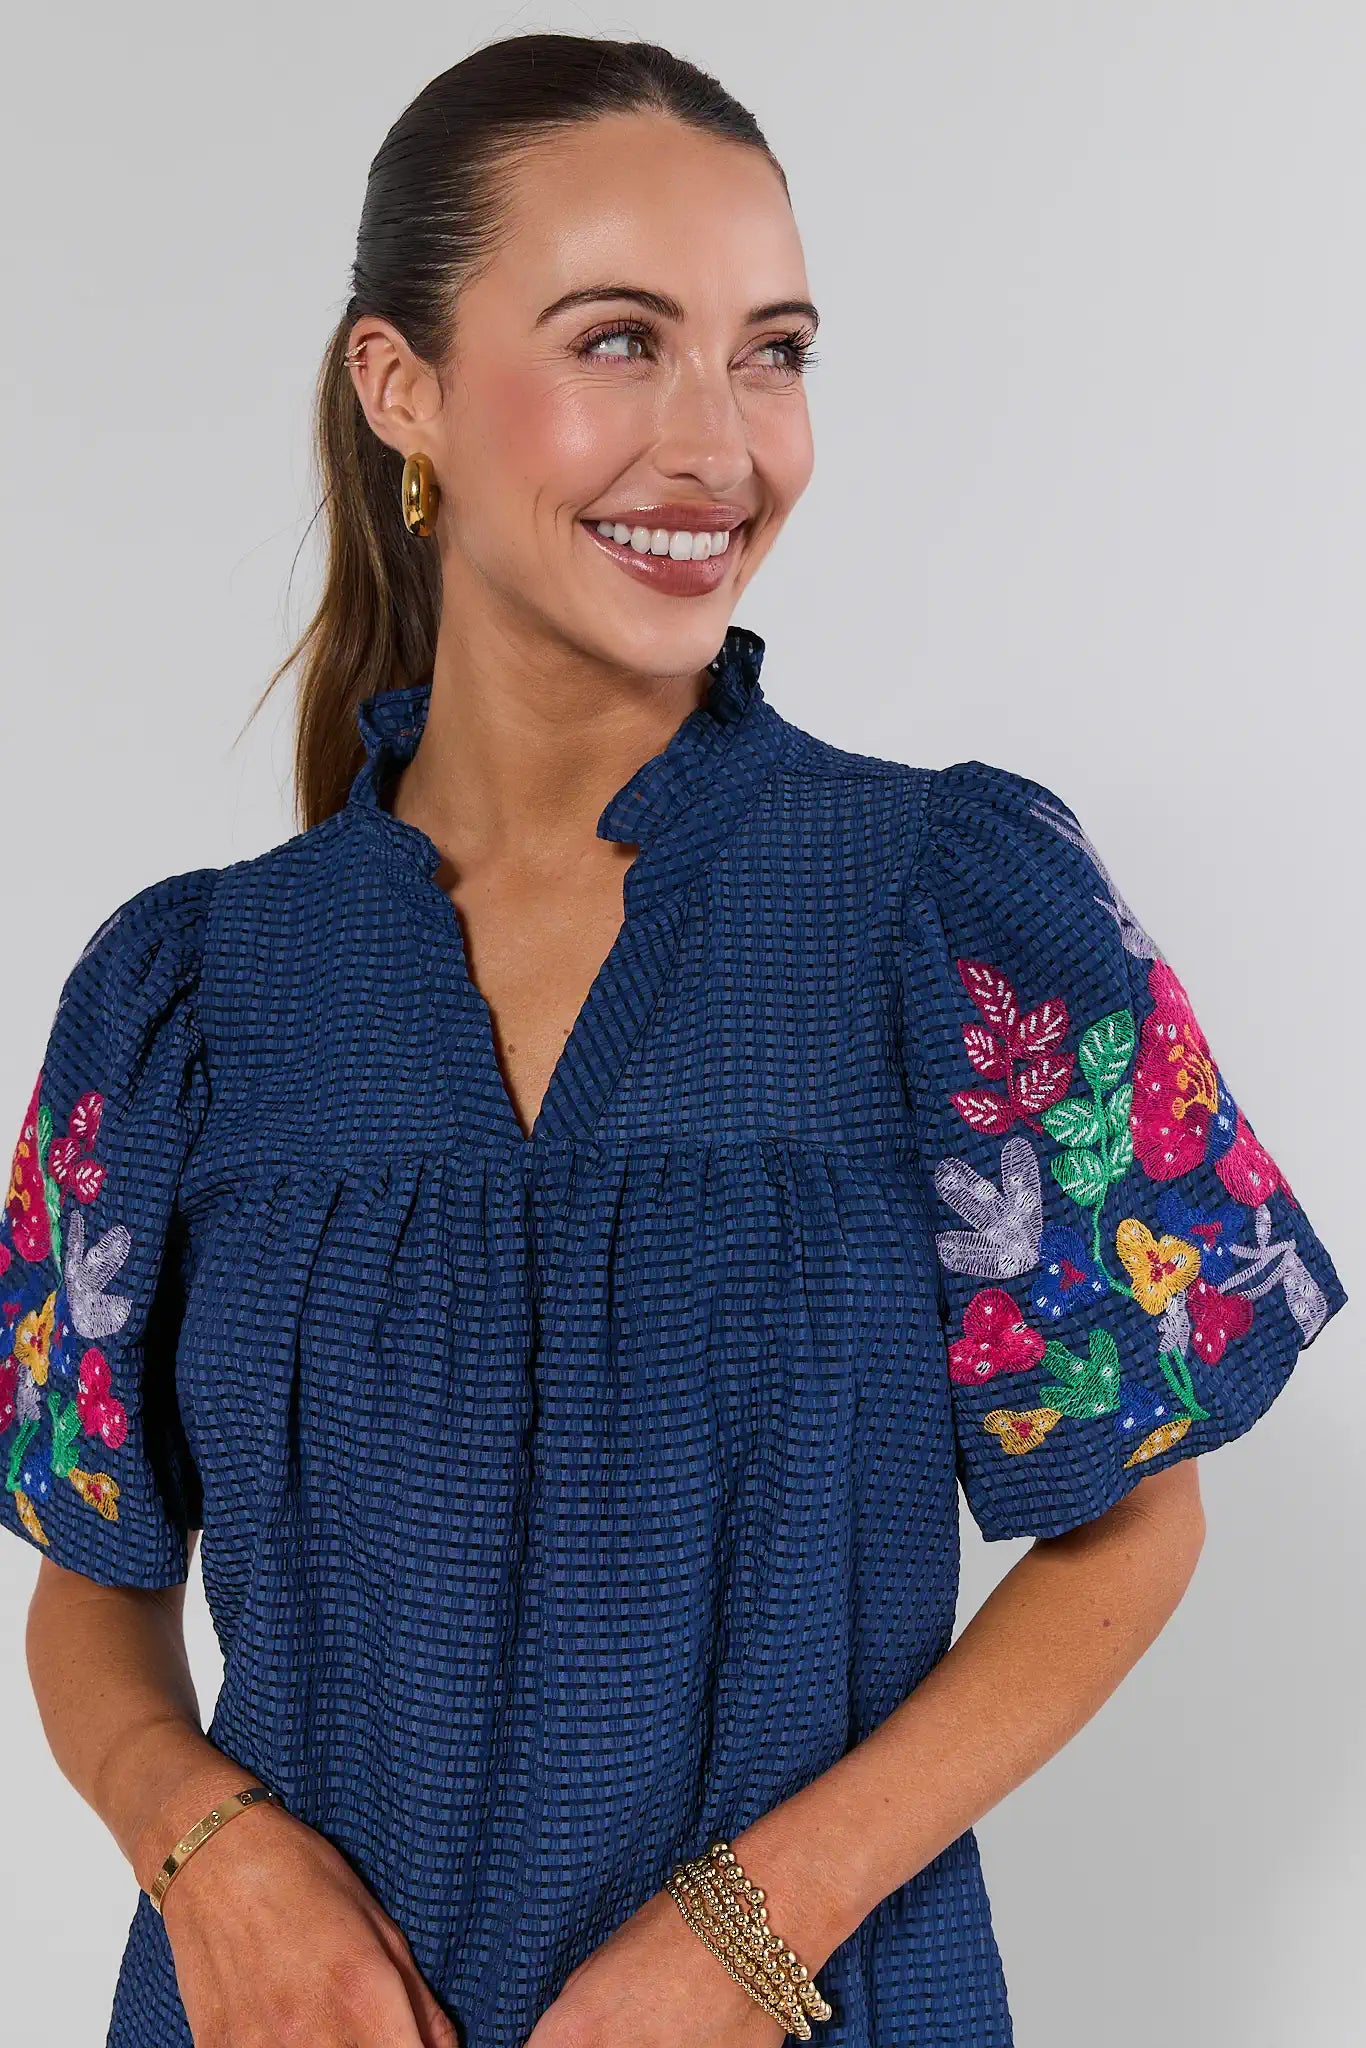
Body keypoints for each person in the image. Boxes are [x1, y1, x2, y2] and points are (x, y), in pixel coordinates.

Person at [2, 31, 1348, 2048]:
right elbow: (89, 1572)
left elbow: (1135, 1516)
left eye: (771, 352)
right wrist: (207, 1855)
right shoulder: (186, 992)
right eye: (620, 342)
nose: (720, 445)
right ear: (401, 385)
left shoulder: (947, 911)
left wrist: (750, 1928)